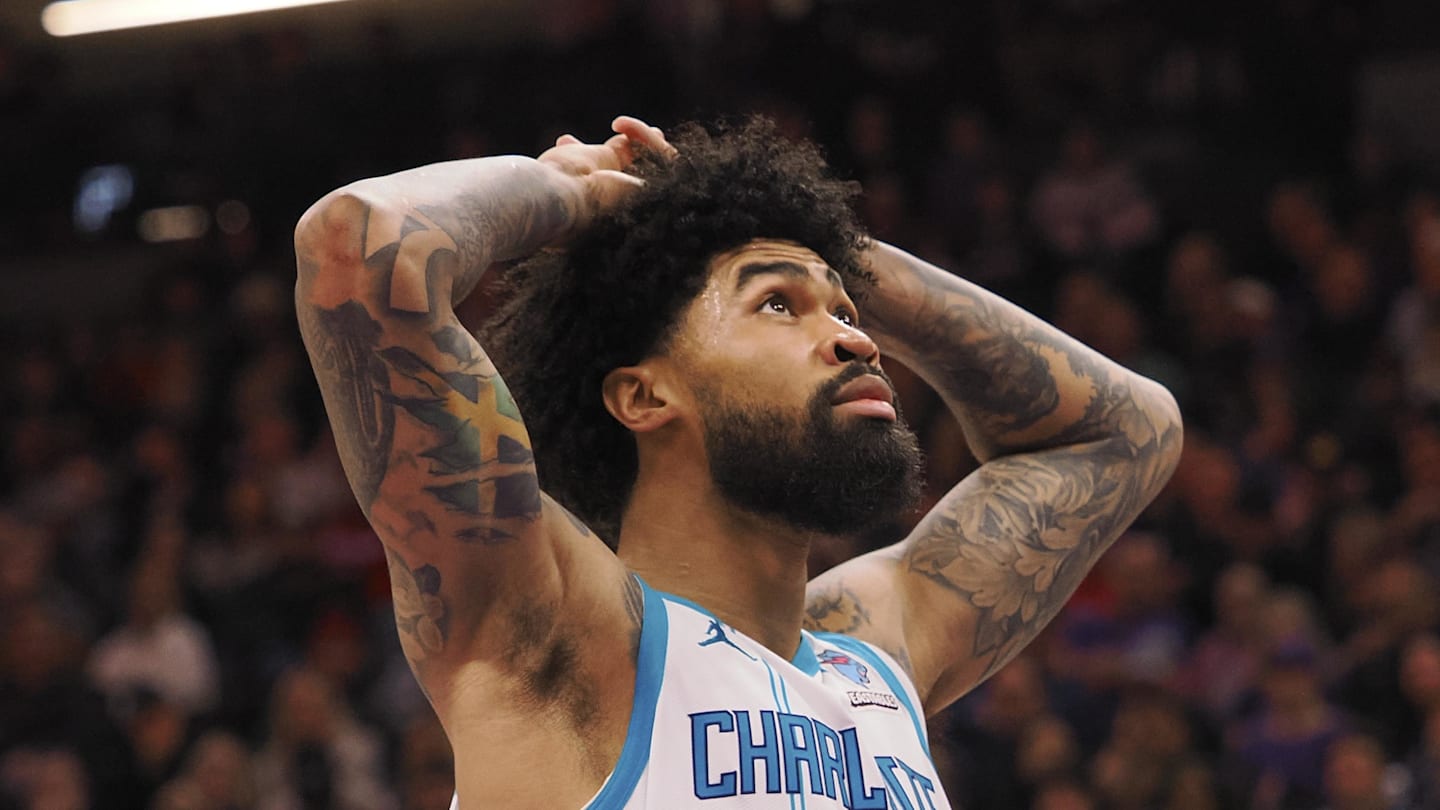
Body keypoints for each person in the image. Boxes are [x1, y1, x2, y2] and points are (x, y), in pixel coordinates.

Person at [294, 115, 1182, 808]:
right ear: (643, 396)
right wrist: (576, 190)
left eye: (846, 310)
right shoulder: (562, 628)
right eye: (776, 306)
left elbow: (1128, 431)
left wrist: (819, 248)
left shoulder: (870, 652)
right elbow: (359, 247)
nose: (854, 340)